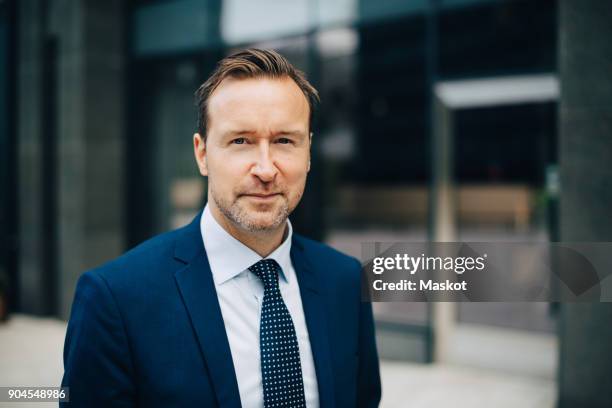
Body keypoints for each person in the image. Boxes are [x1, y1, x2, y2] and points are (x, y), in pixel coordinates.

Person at [61, 48, 381, 407]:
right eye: (240, 141)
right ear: (202, 154)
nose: (265, 169)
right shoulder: (115, 299)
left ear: (308, 152)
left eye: (284, 141)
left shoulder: (346, 280)